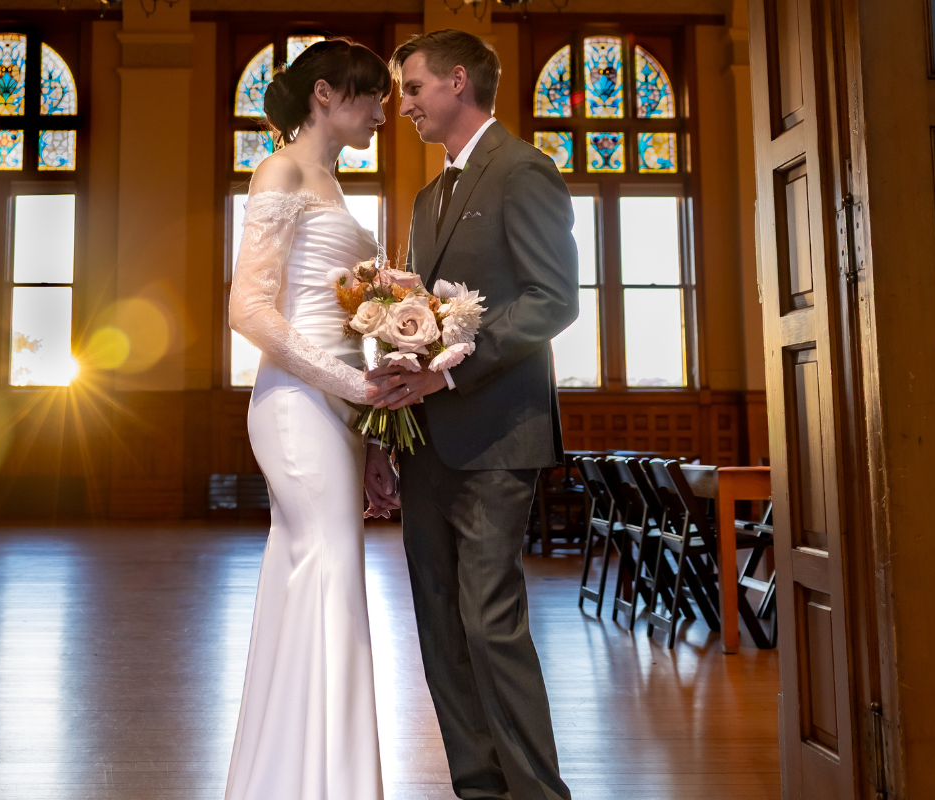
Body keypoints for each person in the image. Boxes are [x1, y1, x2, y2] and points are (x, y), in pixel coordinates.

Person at [367, 30, 580, 800]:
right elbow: (422, 318)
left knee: (490, 625)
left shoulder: (524, 169)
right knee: (440, 628)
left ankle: (538, 793)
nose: (405, 107)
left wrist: (448, 378)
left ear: (459, 82)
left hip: (496, 437)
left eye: (414, 89)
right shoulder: (428, 198)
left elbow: (553, 301)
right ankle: (479, 789)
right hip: (427, 445)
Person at [223, 38, 399, 800]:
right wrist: (352, 387)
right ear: (324, 93)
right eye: (371, 95)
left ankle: (300, 776)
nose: (384, 112)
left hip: (338, 406)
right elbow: (249, 309)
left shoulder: (331, 182)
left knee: (322, 573)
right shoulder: (282, 170)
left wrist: (373, 441)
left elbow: (347, 313)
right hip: (296, 403)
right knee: (327, 567)